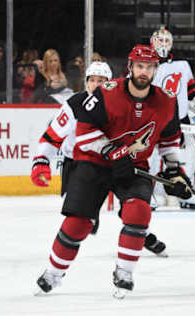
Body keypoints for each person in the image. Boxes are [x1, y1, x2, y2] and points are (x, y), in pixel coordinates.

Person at [33, 45, 192, 298]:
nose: (144, 72)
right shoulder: (106, 94)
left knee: (139, 212)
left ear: (155, 70)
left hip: (133, 167)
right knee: (78, 224)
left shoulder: (166, 101)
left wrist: (175, 172)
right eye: (140, 66)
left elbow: (169, 141)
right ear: (130, 67)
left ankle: (124, 272)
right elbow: (84, 133)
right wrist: (112, 151)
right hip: (94, 163)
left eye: (149, 67)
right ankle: (53, 272)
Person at [31, 60, 168, 256]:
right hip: (81, 165)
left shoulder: (120, 103)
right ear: (86, 82)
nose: (96, 84)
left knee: (133, 205)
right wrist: (41, 161)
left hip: (115, 161)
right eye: (92, 80)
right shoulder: (74, 104)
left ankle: (141, 234)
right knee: (81, 218)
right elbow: (52, 136)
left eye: (102, 80)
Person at [150, 26, 195, 210]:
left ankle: (190, 191)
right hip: (156, 118)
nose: (163, 44)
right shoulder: (146, 65)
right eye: (160, 40)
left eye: (166, 41)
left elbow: (191, 90)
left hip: (181, 118)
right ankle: (152, 192)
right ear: (152, 42)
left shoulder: (182, 64)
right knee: (153, 155)